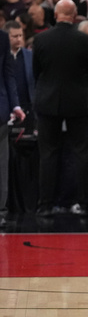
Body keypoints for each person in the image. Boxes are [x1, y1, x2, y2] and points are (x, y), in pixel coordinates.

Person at [33, 0, 88, 216]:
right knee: (81, 152)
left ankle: (45, 205)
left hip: (48, 101)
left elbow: (36, 72)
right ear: (75, 14)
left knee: (48, 153)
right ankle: (86, 203)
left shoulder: (40, 39)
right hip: (78, 101)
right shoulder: (86, 41)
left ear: (56, 14)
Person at [0, 28, 23, 228]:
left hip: (0, 112)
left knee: (1, 166)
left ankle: (0, 211)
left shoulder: (2, 38)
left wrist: (15, 105)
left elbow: (8, 74)